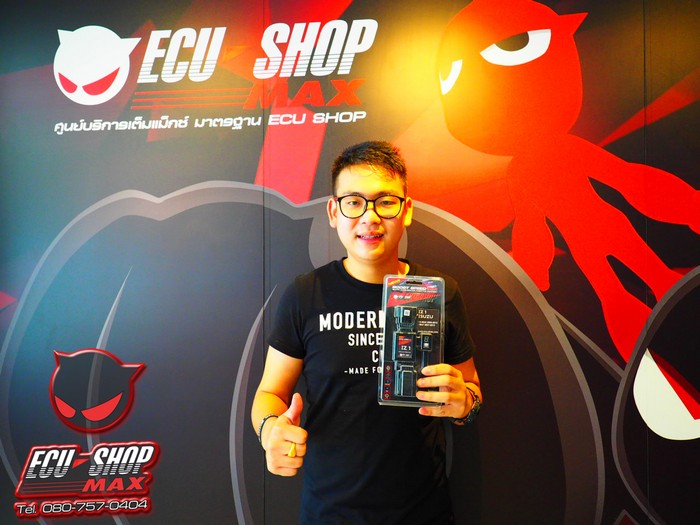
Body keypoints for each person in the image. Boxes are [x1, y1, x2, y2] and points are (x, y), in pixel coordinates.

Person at [251, 140, 482, 525]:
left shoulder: (440, 292)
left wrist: (464, 404)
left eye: (385, 202)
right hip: (329, 513)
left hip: (422, 512)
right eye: (354, 202)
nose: (369, 217)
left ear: (406, 211)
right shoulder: (305, 295)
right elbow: (269, 394)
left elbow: (471, 390)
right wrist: (269, 429)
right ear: (334, 212)